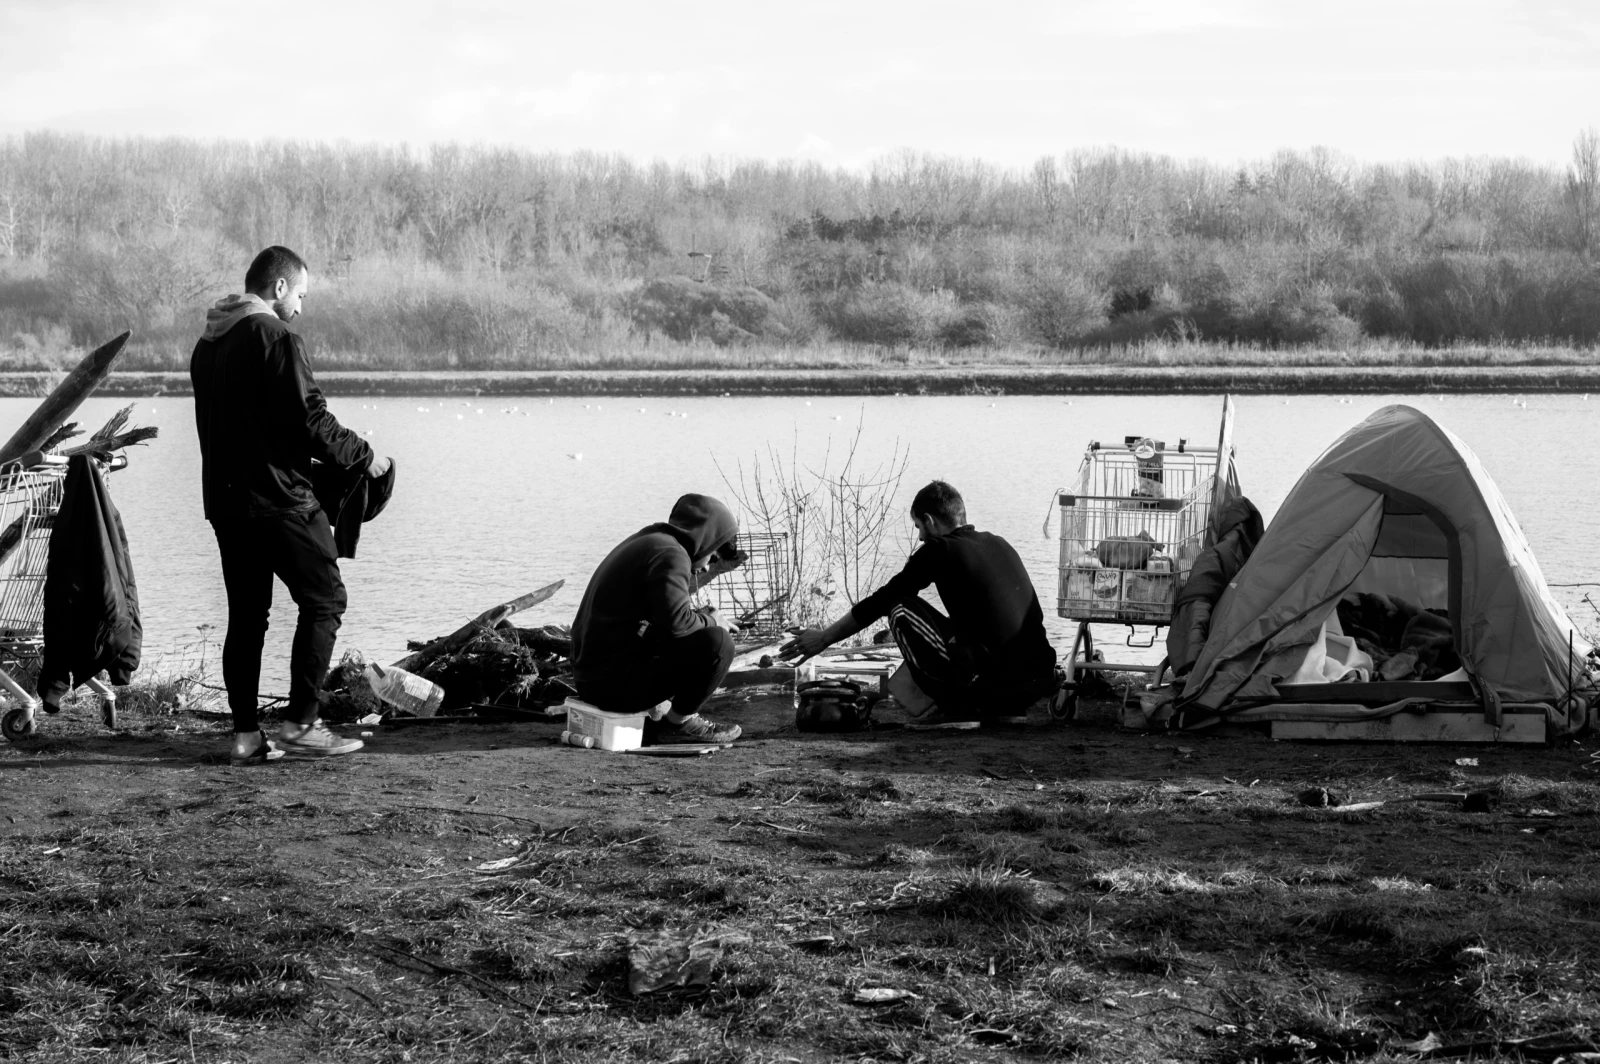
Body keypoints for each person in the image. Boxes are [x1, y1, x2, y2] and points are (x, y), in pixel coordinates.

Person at [191, 245, 391, 764]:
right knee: (325, 600)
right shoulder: (275, 337)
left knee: (248, 617)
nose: (300, 307)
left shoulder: (208, 345)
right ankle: (302, 723)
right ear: (279, 288)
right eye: (300, 294)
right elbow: (310, 420)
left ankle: (246, 736)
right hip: (280, 502)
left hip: (227, 503)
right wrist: (364, 456)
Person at [782, 480, 1057, 727]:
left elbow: (882, 600)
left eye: (918, 527)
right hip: (1035, 681)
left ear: (930, 520)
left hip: (997, 684)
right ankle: (998, 708)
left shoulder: (940, 549)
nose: (920, 537)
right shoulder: (1000, 543)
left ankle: (956, 708)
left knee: (899, 608)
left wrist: (825, 638)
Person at [571, 494, 745, 743]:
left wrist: (701, 618)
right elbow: (678, 625)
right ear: (703, 538)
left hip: (593, 679)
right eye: (713, 556)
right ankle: (678, 724)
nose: (708, 567)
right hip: (610, 687)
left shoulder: (651, 541)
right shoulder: (672, 555)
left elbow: (663, 622)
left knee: (698, 634)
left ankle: (664, 715)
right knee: (719, 643)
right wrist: (713, 620)